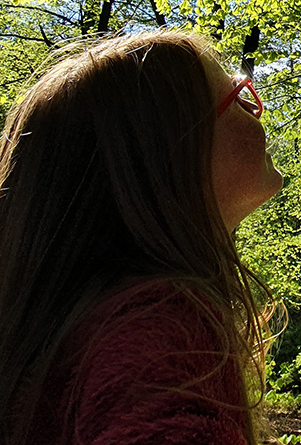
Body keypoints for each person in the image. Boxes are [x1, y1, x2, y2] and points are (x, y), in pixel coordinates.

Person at [0, 30, 283, 445]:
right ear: (167, 157)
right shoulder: (162, 325)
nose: (256, 111)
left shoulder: (75, 332)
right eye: (238, 96)